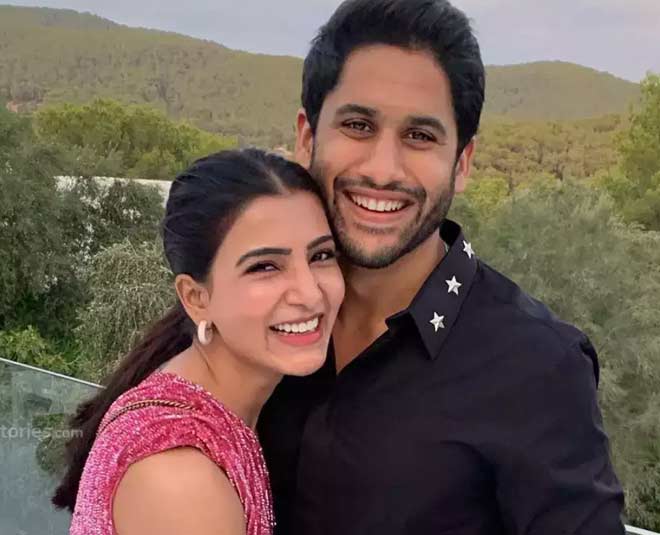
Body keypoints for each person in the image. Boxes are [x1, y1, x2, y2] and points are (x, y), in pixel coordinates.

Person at [257, 0, 626, 533]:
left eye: (420, 136)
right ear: (307, 137)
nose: (383, 170)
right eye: (358, 125)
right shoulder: (250, 304)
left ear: (463, 163)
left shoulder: (537, 367)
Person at [52, 149, 345, 535]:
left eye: (321, 255)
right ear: (196, 298)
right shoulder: (180, 479)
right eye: (265, 266)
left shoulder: (212, 406)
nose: (310, 294)